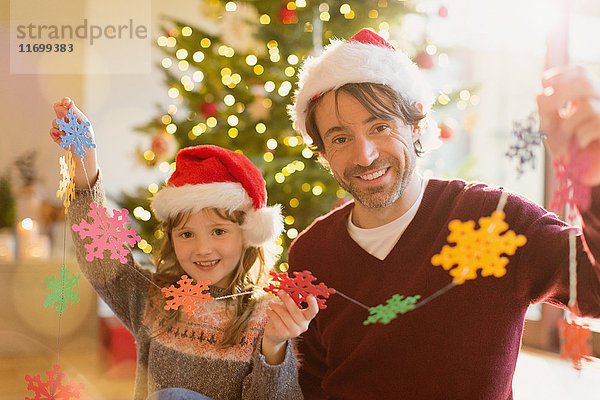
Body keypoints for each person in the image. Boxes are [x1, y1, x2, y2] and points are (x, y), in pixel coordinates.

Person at [287, 28, 600, 399]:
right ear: (322, 152)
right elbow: (311, 380)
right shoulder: (310, 253)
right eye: (340, 138)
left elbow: (594, 292)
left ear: (417, 125)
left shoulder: (495, 219)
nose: (364, 155)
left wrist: (594, 184)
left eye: (381, 126)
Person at [49, 98, 319, 400]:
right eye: (187, 234)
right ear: (171, 238)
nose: (203, 248)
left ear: (246, 234)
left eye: (219, 231)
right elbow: (98, 254)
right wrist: (84, 156)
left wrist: (273, 347)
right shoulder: (155, 301)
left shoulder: (266, 317)